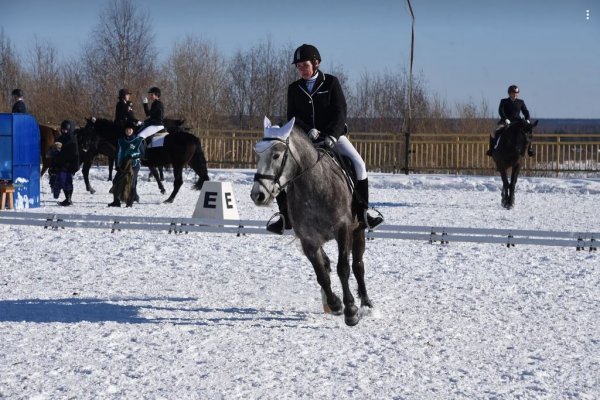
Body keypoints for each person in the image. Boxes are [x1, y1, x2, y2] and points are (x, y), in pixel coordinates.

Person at [266, 43, 383, 234]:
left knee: (359, 164)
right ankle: (284, 216)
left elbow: (340, 112)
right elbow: (292, 116)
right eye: (298, 66)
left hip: (334, 137)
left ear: (316, 63)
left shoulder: (331, 83)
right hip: (305, 139)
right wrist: (308, 130)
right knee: (280, 167)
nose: (301, 69)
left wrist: (332, 136)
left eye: (304, 65)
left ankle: (364, 212)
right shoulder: (294, 88)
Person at [487, 84, 534, 157]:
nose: (515, 94)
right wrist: (505, 119)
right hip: (506, 121)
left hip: (518, 122)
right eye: (513, 93)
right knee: (495, 132)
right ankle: (492, 149)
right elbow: (501, 111)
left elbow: (525, 111)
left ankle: (530, 149)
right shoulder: (504, 101)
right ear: (509, 93)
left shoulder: (521, 102)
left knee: (529, 130)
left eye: (517, 93)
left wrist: (527, 119)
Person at [108, 122, 144, 207]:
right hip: (122, 165)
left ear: (133, 130)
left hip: (134, 165)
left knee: (131, 182)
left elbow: (142, 154)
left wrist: (132, 156)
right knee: (116, 181)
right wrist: (117, 164)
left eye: (130, 129)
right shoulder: (121, 140)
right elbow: (118, 153)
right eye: (127, 129)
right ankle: (116, 201)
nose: (128, 131)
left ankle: (129, 202)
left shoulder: (138, 140)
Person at [51, 120, 80, 206]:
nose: (64, 132)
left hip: (69, 165)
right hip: (61, 164)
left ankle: (68, 199)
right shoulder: (60, 138)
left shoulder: (72, 139)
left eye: (66, 130)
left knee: (67, 181)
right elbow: (56, 150)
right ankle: (67, 198)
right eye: (62, 130)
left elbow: (75, 154)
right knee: (62, 181)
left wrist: (72, 165)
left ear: (69, 130)